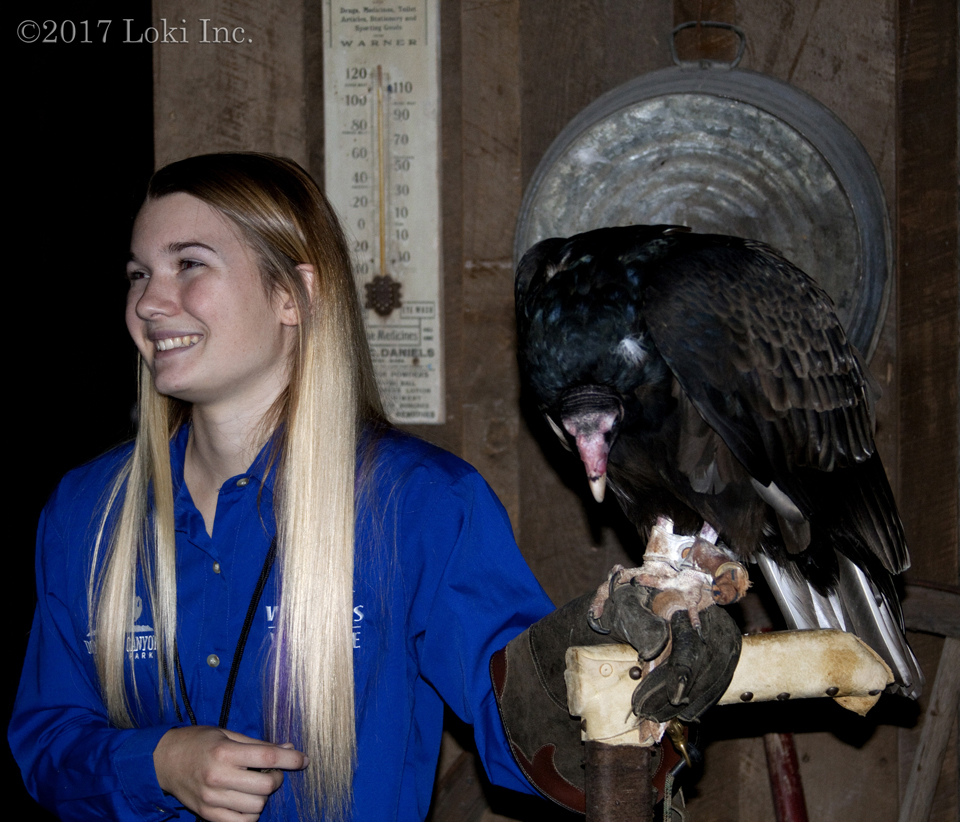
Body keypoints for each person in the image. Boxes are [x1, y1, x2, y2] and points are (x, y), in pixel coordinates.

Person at [11, 153, 739, 822]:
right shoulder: (87, 512)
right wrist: (159, 762)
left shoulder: (421, 505)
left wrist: (632, 686)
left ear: (293, 297)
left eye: (188, 265)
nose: (149, 303)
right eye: (138, 274)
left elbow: (528, 737)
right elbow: (46, 744)